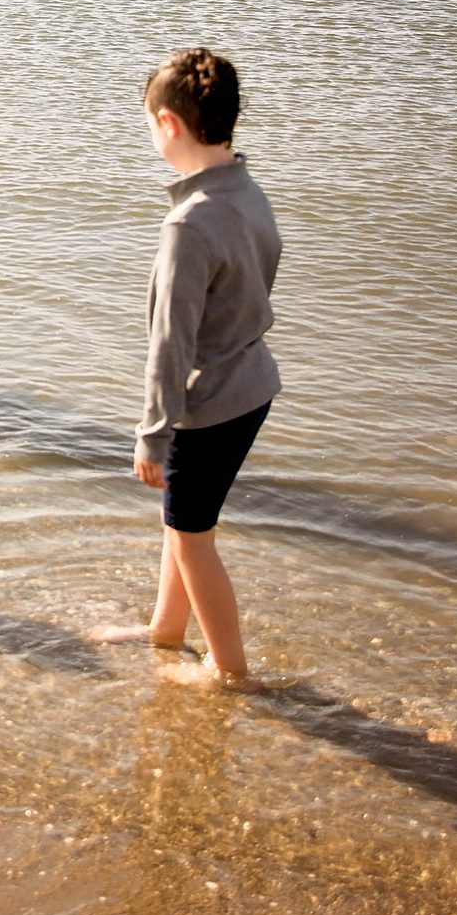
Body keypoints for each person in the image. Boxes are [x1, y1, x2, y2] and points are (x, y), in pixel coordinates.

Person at [113, 47, 282, 689]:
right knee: (184, 523)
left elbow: (170, 344)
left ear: (168, 125)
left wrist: (153, 434)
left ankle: (229, 671)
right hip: (252, 383)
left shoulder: (188, 223)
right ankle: (165, 631)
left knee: (191, 537)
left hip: (208, 404)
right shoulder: (246, 191)